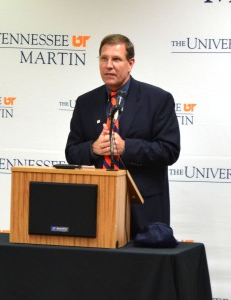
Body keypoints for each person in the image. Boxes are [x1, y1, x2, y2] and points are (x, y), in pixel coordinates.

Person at [65, 34, 180, 238]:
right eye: (104, 59)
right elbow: (72, 152)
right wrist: (93, 148)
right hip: (95, 204)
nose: (109, 65)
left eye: (116, 59)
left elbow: (169, 150)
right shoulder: (85, 102)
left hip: (144, 208)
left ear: (130, 63)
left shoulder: (158, 99)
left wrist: (126, 147)